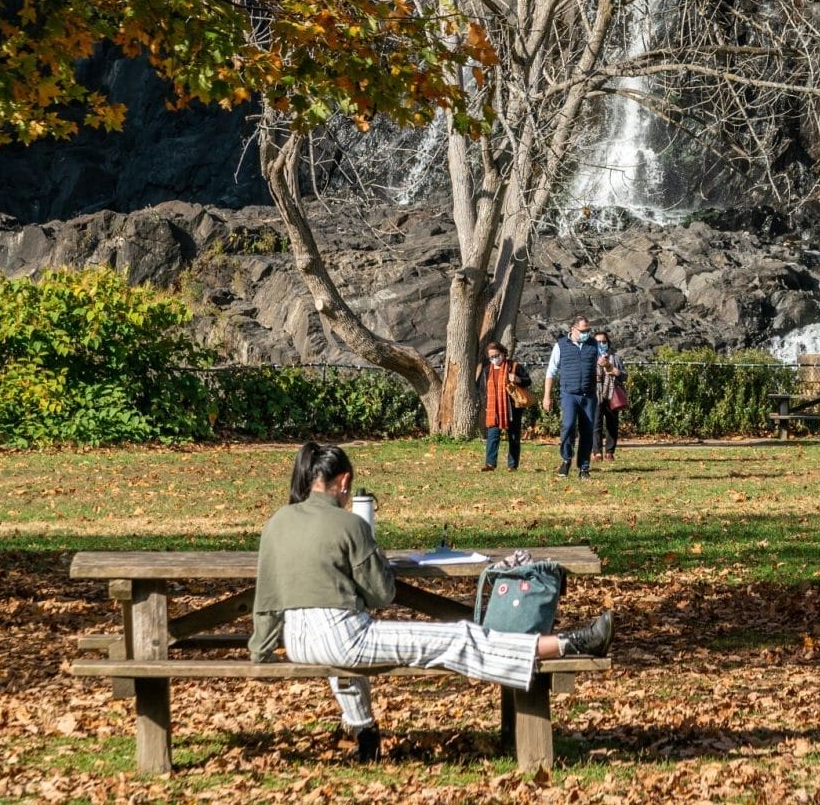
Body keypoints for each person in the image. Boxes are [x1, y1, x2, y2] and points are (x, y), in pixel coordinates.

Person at [248, 443, 613, 762]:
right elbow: (382, 594)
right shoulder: (350, 526)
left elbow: (265, 600)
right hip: (343, 638)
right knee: (458, 637)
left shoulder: (277, 522)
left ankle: (365, 733)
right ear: (343, 482)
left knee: (351, 662)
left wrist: (260, 653)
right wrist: (372, 555)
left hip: (297, 641)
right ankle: (565, 643)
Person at [543, 314, 600, 478]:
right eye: (583, 330)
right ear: (573, 329)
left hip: (588, 394)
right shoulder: (561, 345)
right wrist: (547, 396)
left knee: (588, 430)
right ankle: (566, 459)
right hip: (569, 393)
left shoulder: (594, 345)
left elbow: (605, 363)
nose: (586, 333)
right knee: (568, 426)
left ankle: (584, 467)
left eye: (588, 330)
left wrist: (606, 365)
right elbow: (551, 372)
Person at [481, 341, 530, 472]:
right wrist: (486, 406)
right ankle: (490, 463)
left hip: (512, 409)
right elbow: (484, 390)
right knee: (492, 436)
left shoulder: (513, 366)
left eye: (496, 355)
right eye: (491, 357)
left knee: (513, 437)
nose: (494, 359)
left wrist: (518, 379)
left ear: (503, 353)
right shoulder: (487, 370)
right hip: (494, 409)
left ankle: (512, 465)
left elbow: (528, 381)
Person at [593, 330, 625, 464]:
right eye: (598, 342)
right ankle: (597, 452)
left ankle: (610, 452)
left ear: (608, 342)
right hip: (596, 394)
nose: (601, 344)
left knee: (612, 424)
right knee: (596, 424)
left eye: (604, 341)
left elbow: (624, 376)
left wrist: (614, 370)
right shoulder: (590, 358)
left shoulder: (615, 358)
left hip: (612, 394)